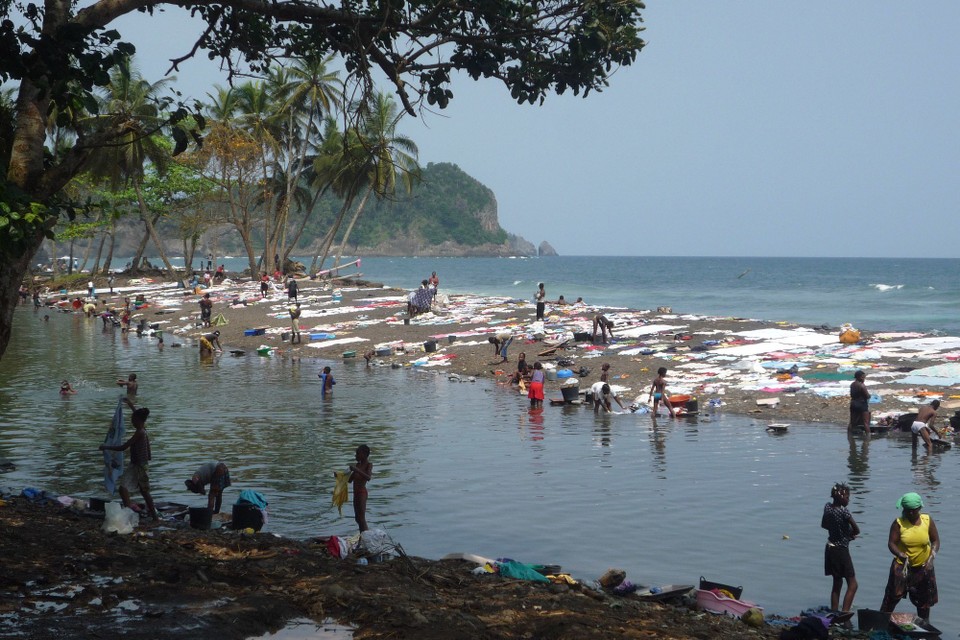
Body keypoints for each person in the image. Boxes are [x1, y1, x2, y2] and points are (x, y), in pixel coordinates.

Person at [881, 492, 940, 622]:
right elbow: (891, 543)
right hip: (902, 567)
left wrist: (931, 559)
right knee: (891, 598)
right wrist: (900, 554)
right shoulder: (899, 523)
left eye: (913, 511)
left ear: (919, 508)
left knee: (924, 604)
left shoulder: (927, 521)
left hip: (923, 567)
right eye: (907, 511)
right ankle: (881, 622)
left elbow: (935, 541)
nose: (910, 514)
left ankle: (924, 627)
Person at [99, 402, 159, 521]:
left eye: (133, 420)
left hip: (140, 466)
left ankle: (154, 517)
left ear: (138, 420)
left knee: (144, 491)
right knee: (124, 488)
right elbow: (136, 414)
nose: (131, 422)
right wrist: (129, 404)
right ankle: (129, 512)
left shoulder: (140, 432)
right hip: (135, 464)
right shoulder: (142, 428)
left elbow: (124, 447)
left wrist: (106, 447)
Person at [822, 482, 860, 613]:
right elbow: (857, 530)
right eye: (847, 497)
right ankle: (844, 613)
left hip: (830, 548)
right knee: (853, 584)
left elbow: (824, 525)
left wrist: (841, 533)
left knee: (837, 583)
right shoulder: (844, 511)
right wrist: (849, 535)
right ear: (841, 497)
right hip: (841, 550)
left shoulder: (827, 508)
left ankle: (834, 612)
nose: (848, 499)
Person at [349, 444, 372, 532]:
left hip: (362, 493)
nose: (356, 456)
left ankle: (366, 537)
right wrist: (339, 476)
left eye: (358, 454)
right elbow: (349, 480)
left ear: (364, 454)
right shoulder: (357, 465)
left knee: (362, 518)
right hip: (356, 494)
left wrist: (357, 470)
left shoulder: (368, 465)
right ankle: (362, 536)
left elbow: (368, 477)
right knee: (357, 518)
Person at [849, 370, 871, 435]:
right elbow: (867, 396)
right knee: (866, 423)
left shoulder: (852, 384)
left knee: (852, 422)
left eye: (864, 377)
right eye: (862, 377)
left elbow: (851, 394)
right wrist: (869, 396)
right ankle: (867, 438)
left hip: (853, 404)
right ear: (858, 377)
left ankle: (849, 436)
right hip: (862, 404)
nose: (863, 379)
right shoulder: (862, 385)